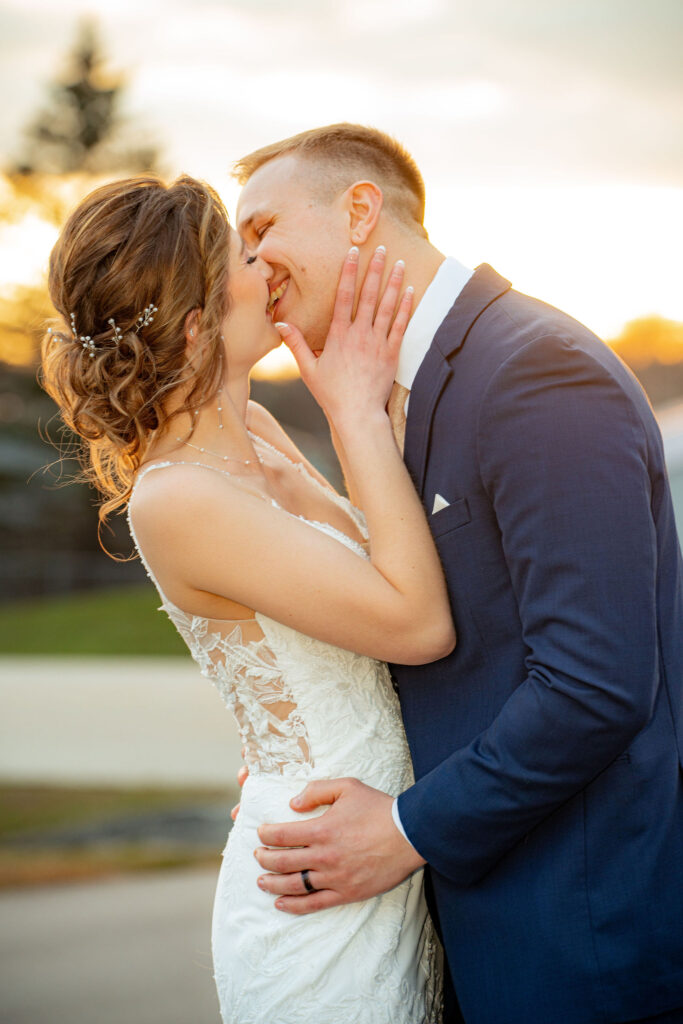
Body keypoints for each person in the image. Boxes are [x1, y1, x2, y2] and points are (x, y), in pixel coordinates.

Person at [232, 124, 683, 1024]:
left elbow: (593, 685)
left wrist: (402, 831)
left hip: (576, 939)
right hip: (470, 933)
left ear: (359, 211)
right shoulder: (386, 390)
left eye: (262, 229)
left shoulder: (534, 373)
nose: (248, 266)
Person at [41, 174, 454, 1024]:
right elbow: (415, 624)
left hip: (375, 844)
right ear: (196, 323)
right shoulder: (177, 497)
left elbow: (384, 580)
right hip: (316, 890)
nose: (265, 259)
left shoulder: (260, 433)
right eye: (240, 251)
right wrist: (354, 417)